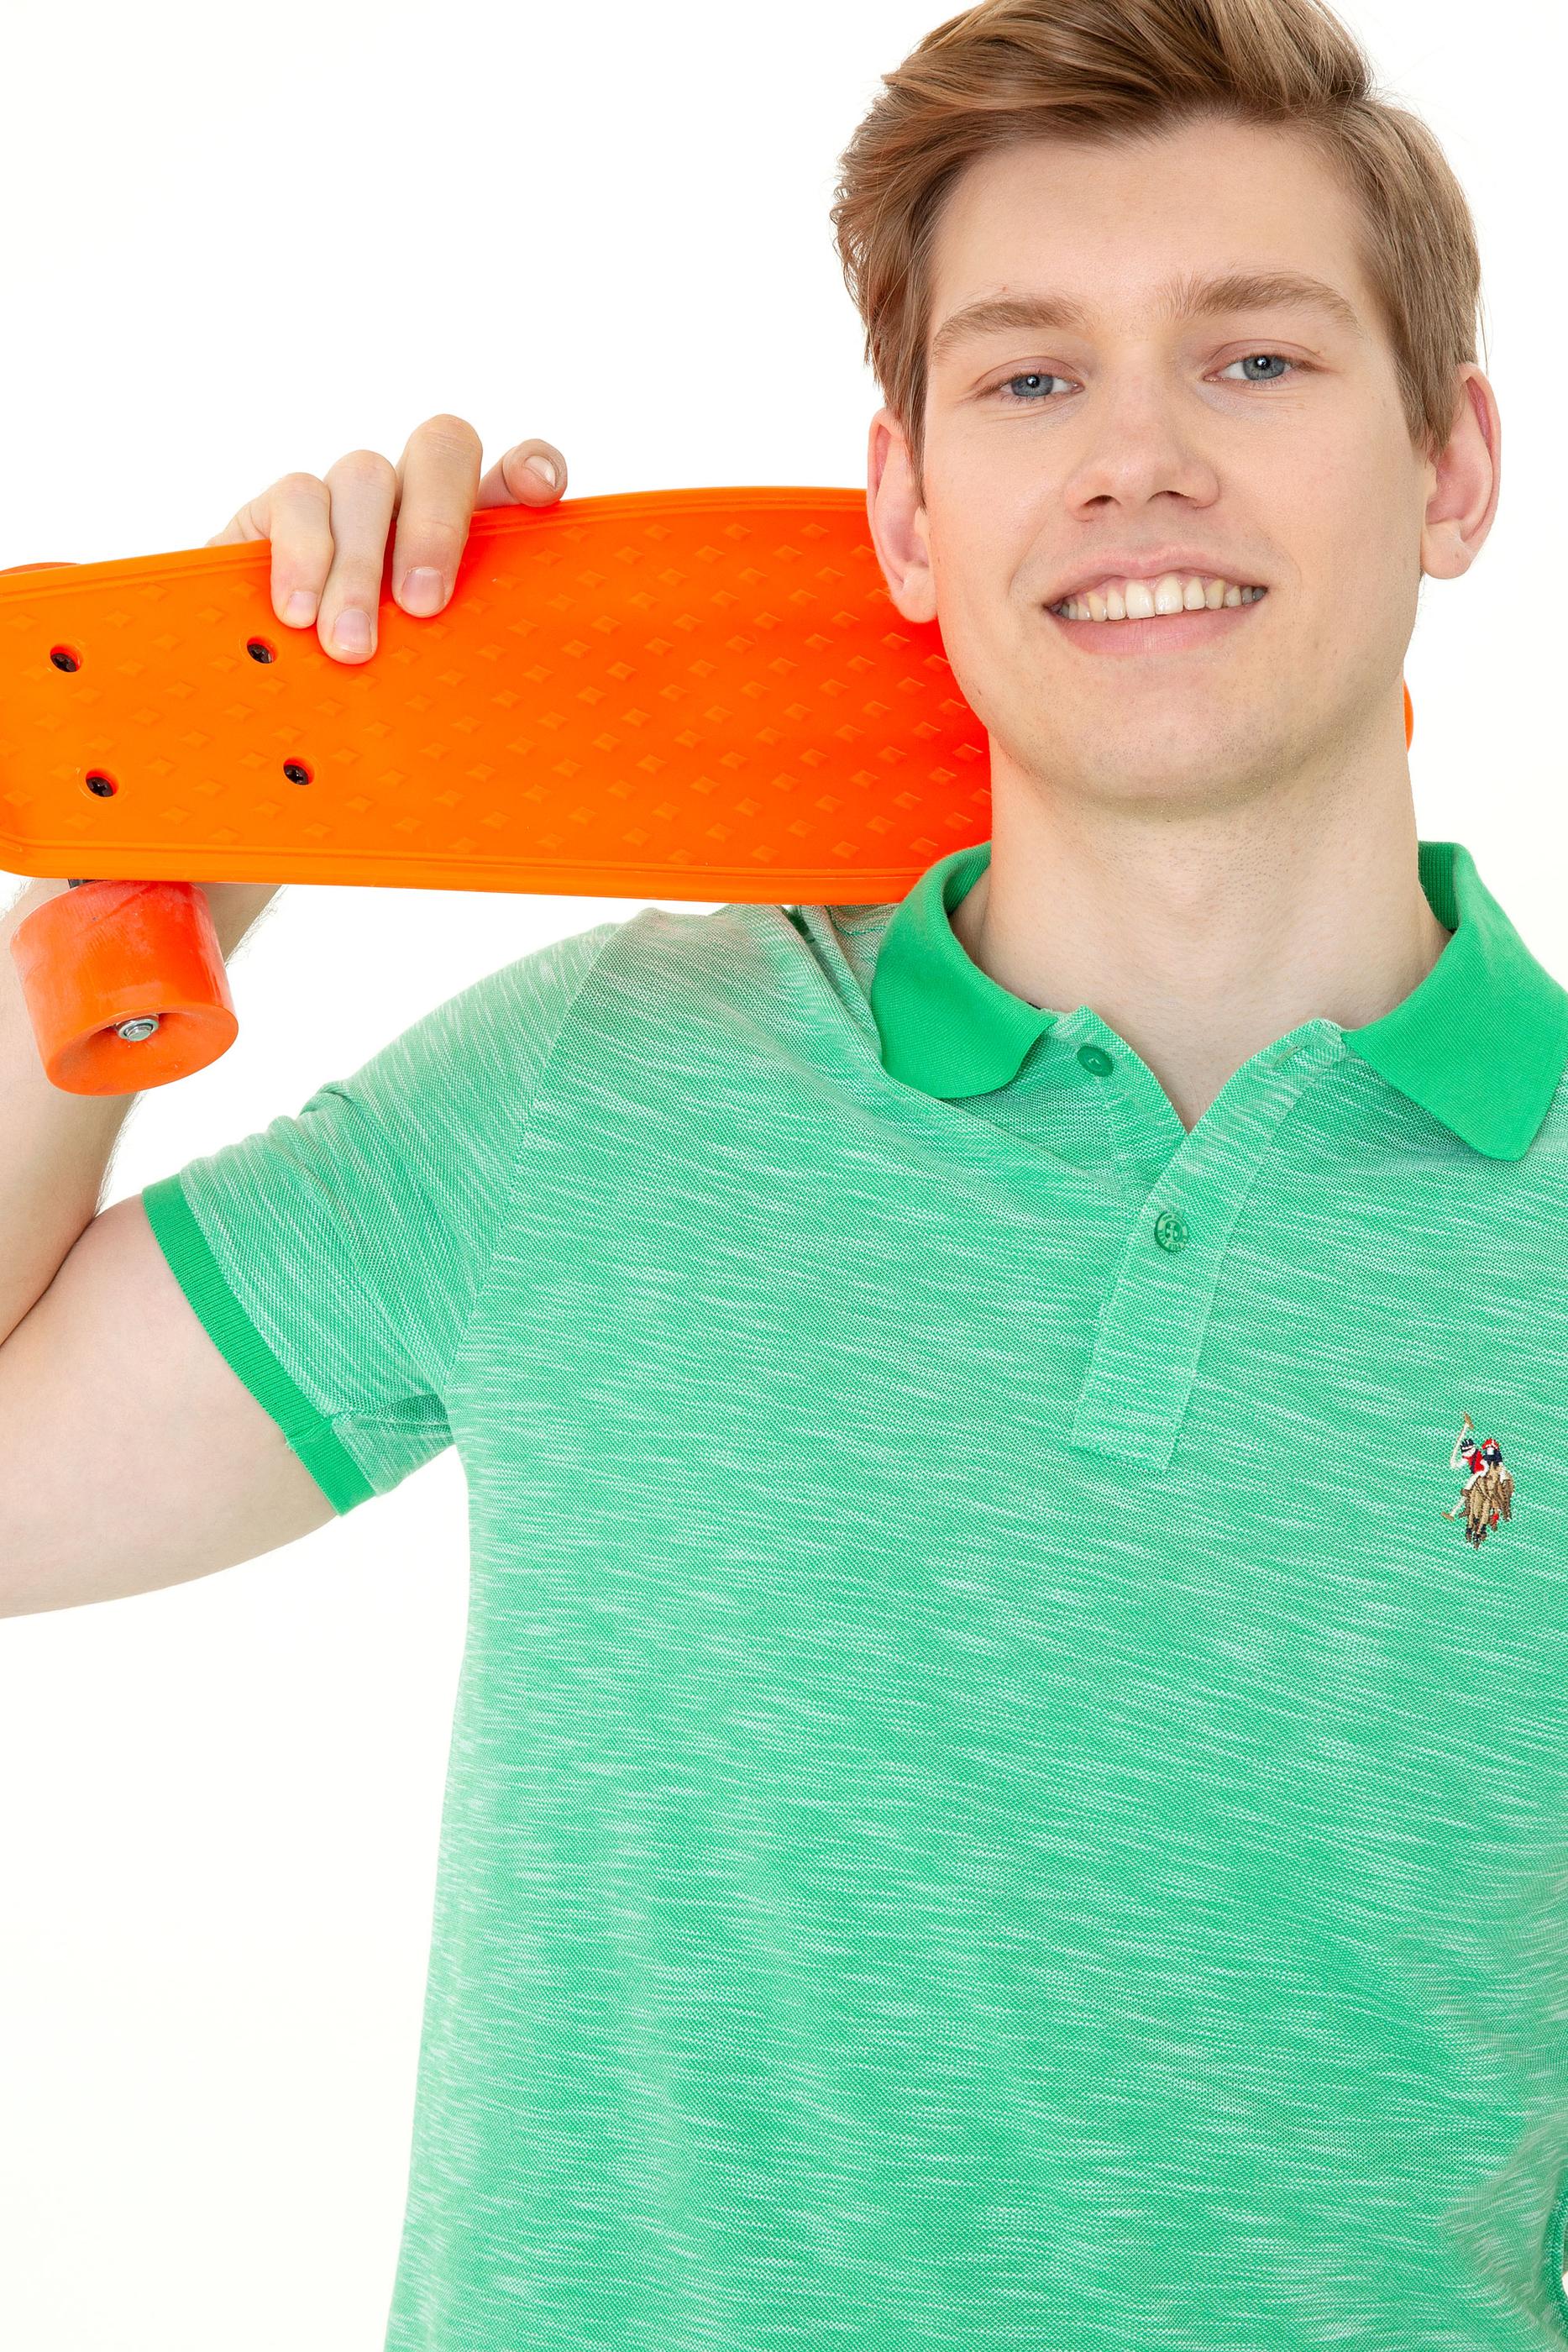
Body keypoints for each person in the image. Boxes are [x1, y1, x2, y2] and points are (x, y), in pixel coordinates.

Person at [5, 2, 1566, 2345]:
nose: (1136, 459)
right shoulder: (593, 1090)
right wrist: (180, 822)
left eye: (1254, 361)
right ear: (905, 515)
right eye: (1029, 378)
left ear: (1450, 464)